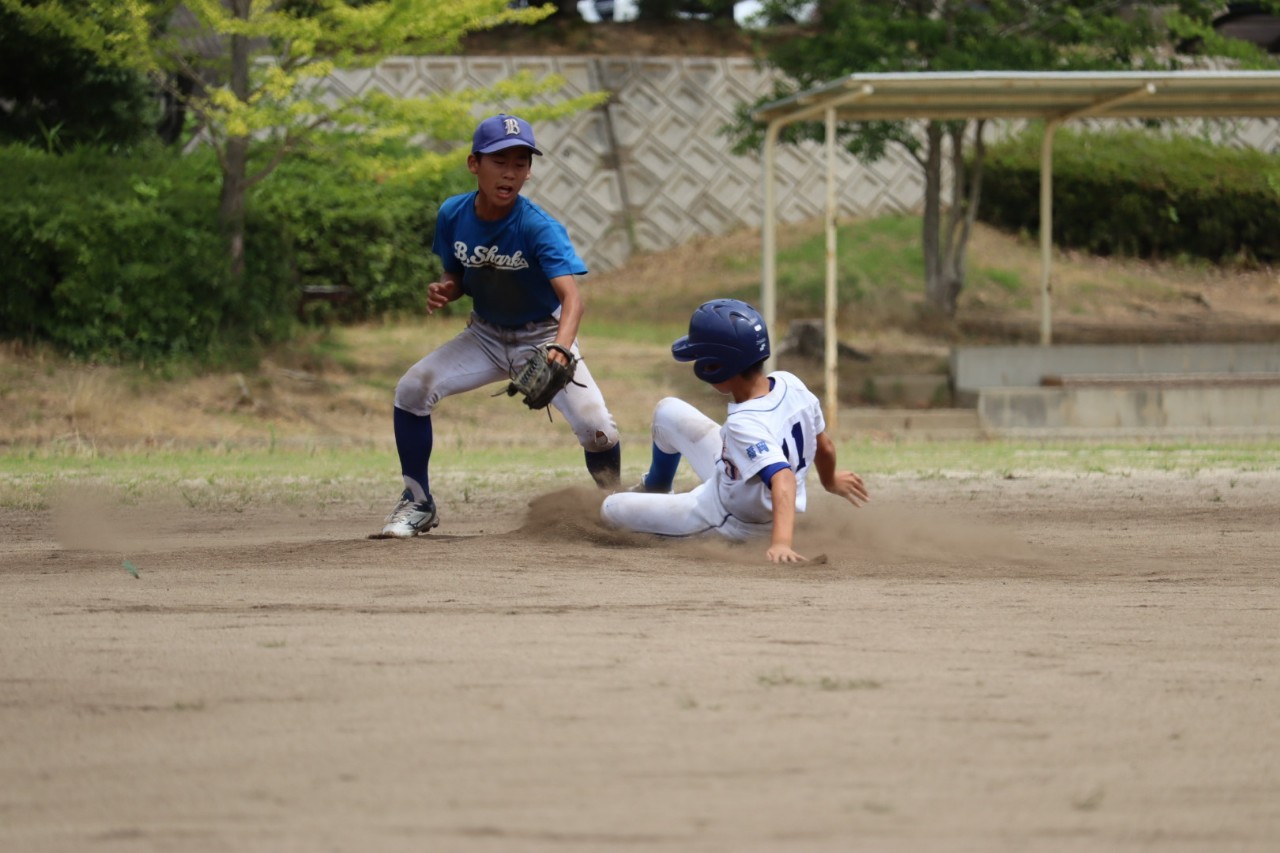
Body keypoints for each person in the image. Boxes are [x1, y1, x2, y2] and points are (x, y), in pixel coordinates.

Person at [380, 113, 621, 538]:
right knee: (412, 389)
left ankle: (616, 507)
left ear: (529, 171)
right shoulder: (453, 214)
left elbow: (573, 300)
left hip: (542, 336)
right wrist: (447, 289)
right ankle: (418, 502)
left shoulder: (537, 227)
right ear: (474, 164)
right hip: (485, 335)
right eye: (499, 161)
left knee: (596, 427)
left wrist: (560, 349)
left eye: (520, 163)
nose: (510, 172)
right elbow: (457, 274)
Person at [600, 298, 869, 562]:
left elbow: (783, 479)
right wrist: (830, 480)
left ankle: (684, 521)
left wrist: (781, 544)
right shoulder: (790, 382)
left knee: (610, 509)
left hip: (732, 518)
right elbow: (824, 445)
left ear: (715, 367)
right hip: (733, 479)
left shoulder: (744, 423)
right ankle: (657, 487)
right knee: (667, 411)